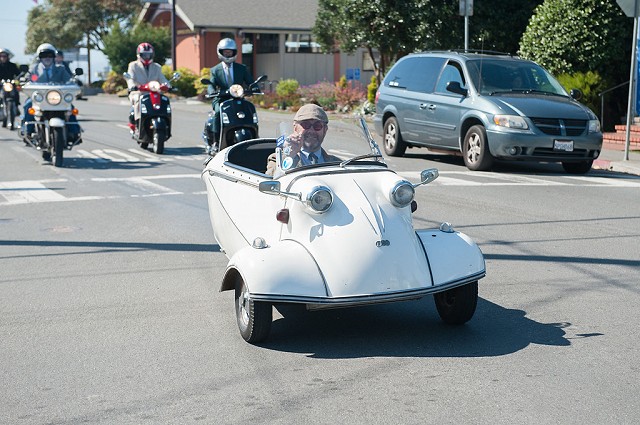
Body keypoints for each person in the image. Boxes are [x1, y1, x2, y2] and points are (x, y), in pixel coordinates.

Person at [203, 37, 254, 153]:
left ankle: (254, 137)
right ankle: (216, 142)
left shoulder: (241, 68)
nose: (227, 54)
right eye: (225, 52)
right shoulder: (215, 70)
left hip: (238, 97)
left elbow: (250, 81)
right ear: (220, 52)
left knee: (248, 111)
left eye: (230, 52)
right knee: (217, 113)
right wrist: (211, 91)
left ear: (234, 52)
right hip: (221, 98)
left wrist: (254, 87)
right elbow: (211, 83)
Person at [22, 43, 79, 141]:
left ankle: (73, 132)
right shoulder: (35, 70)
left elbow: (68, 80)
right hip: (39, 98)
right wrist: (27, 79)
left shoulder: (60, 69)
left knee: (70, 107)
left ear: (54, 57)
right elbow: (31, 79)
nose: (47, 58)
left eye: (50, 55)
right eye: (44, 55)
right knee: (28, 105)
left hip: (57, 98)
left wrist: (73, 81)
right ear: (39, 57)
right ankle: (28, 131)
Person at [266, 104, 339, 176]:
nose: (311, 131)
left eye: (317, 126)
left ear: (325, 130)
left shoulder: (337, 164)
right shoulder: (278, 159)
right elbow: (272, 178)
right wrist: (289, 156)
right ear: (295, 128)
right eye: (306, 125)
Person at [125, 42, 168, 132]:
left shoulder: (157, 67)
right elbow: (130, 78)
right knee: (138, 99)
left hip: (154, 92)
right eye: (144, 55)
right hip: (138, 91)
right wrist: (132, 86)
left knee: (164, 100)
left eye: (149, 55)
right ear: (139, 55)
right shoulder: (133, 65)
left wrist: (167, 85)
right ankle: (138, 122)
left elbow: (162, 79)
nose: (146, 57)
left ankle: (165, 120)